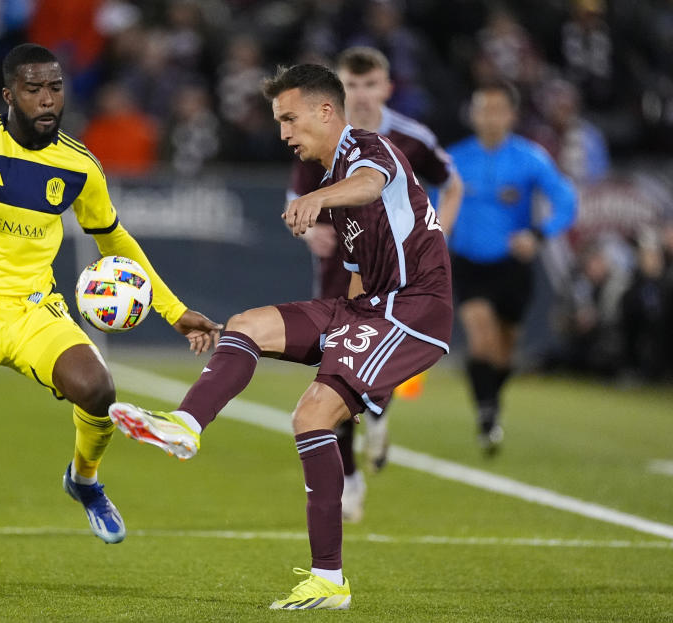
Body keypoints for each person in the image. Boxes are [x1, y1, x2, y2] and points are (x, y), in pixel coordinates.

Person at [0, 43, 221, 592]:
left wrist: (173, 312)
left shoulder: (79, 166)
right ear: (9, 95)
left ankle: (84, 481)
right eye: (33, 89)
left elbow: (114, 239)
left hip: (34, 310)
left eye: (55, 87)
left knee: (98, 389)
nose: (47, 98)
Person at [109, 63, 452, 610]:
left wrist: (320, 200)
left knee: (311, 415)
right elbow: (360, 271)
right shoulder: (331, 180)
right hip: (367, 307)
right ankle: (186, 425)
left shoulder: (370, 151)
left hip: (413, 312)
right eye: (278, 121)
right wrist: (349, 343)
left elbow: (371, 182)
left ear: (325, 111)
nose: (284, 133)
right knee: (245, 326)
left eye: (290, 119)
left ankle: (329, 580)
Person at [289, 46, 463, 522]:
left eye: (371, 85)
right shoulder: (324, 136)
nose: (362, 94)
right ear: (338, 91)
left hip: (402, 280)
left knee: (365, 374)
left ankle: (380, 412)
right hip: (342, 273)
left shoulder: (410, 136)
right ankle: (349, 478)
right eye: (353, 84)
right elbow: (297, 194)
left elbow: (452, 181)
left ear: (387, 88)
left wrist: (437, 231)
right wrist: (311, 231)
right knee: (333, 371)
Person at [447, 80, 576, 454]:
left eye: (496, 110)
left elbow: (565, 201)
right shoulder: (454, 159)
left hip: (513, 266)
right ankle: (487, 418)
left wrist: (538, 233)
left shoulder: (529, 158)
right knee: (481, 335)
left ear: (511, 115)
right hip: (469, 262)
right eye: (482, 109)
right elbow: (433, 206)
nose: (488, 117)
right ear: (472, 114)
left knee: (504, 352)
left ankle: (490, 400)